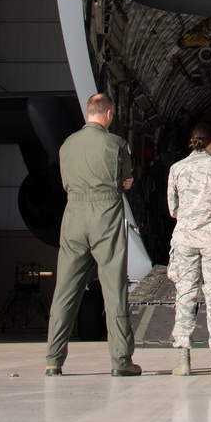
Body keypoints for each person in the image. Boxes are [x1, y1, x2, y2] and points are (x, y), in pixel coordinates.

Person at [44, 92, 141, 378]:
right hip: (105, 217)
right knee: (114, 288)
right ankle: (121, 360)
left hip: (73, 216)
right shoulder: (116, 144)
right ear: (109, 114)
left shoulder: (67, 145)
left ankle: (53, 360)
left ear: (89, 112)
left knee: (65, 291)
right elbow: (124, 179)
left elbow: (65, 182)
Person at [167, 121, 211, 377]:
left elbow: (173, 208)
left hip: (185, 238)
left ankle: (183, 360)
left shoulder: (176, 169)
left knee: (185, 294)